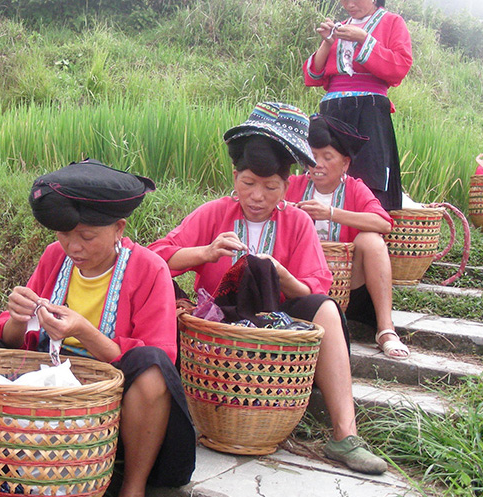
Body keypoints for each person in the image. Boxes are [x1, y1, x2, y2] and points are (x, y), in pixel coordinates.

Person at [0, 159, 196, 497]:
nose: (74, 247)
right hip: (45, 376)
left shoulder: (149, 268)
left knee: (153, 368)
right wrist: (18, 317)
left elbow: (160, 355)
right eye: (65, 235)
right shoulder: (55, 257)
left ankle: (133, 485)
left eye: (87, 236)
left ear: (119, 229)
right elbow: (10, 341)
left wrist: (83, 331)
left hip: (109, 397)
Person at [149, 102, 388, 475]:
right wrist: (206, 253)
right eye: (247, 184)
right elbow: (155, 259)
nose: (257, 196)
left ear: (286, 185)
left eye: (270, 187)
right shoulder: (213, 213)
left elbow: (316, 285)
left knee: (325, 308)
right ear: (234, 177)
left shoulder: (296, 222)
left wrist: (280, 276)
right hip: (220, 324)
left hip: (279, 324)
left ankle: (345, 435)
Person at [287, 114, 409, 359]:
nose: (317, 164)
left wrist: (331, 213)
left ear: (344, 163)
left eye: (327, 157)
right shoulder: (294, 185)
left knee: (371, 240)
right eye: (312, 156)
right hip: (302, 279)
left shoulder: (354, 188)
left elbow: (383, 222)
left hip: (346, 282)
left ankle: (386, 329)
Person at [303, 0, 412, 211]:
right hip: (333, 109)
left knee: (370, 170)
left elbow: (399, 65)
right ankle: (326, 228)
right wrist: (328, 42)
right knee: (328, 167)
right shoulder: (341, 28)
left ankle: (368, 224)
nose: (349, 5)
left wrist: (364, 38)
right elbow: (313, 75)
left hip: (369, 109)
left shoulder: (392, 22)